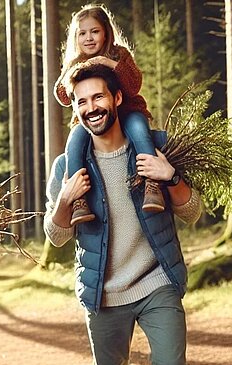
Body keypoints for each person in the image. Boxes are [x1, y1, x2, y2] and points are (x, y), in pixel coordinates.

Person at [45, 62, 202, 365]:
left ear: (116, 98)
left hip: (156, 281)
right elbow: (55, 239)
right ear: (75, 110)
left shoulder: (153, 145)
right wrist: (64, 199)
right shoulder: (66, 166)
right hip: (104, 294)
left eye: (98, 97)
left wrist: (170, 176)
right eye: (82, 102)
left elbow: (193, 213)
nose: (91, 107)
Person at [53, 3, 166, 223]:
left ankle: (152, 185)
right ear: (75, 38)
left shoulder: (118, 54)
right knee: (74, 142)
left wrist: (107, 63)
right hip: (93, 122)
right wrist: (74, 70)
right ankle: (80, 201)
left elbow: (134, 85)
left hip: (128, 111)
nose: (89, 38)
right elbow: (64, 96)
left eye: (95, 31)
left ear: (106, 32)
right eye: (82, 33)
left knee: (140, 132)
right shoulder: (75, 63)